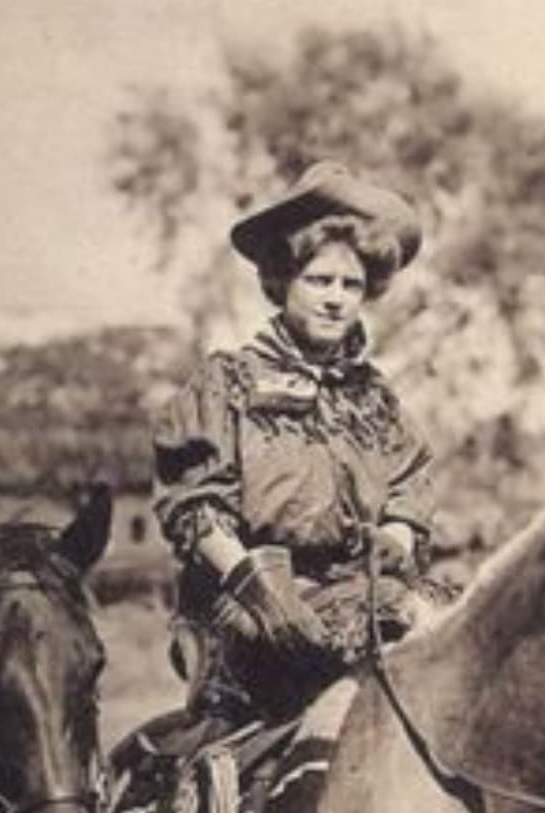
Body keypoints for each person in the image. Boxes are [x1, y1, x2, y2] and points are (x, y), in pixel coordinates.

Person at [152, 160, 440, 734]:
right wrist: (255, 585)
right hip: (259, 608)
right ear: (284, 282)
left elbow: (409, 484)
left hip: (370, 597)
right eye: (319, 280)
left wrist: (396, 539)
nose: (336, 299)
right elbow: (195, 502)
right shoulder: (226, 381)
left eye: (351, 284)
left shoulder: (376, 399)